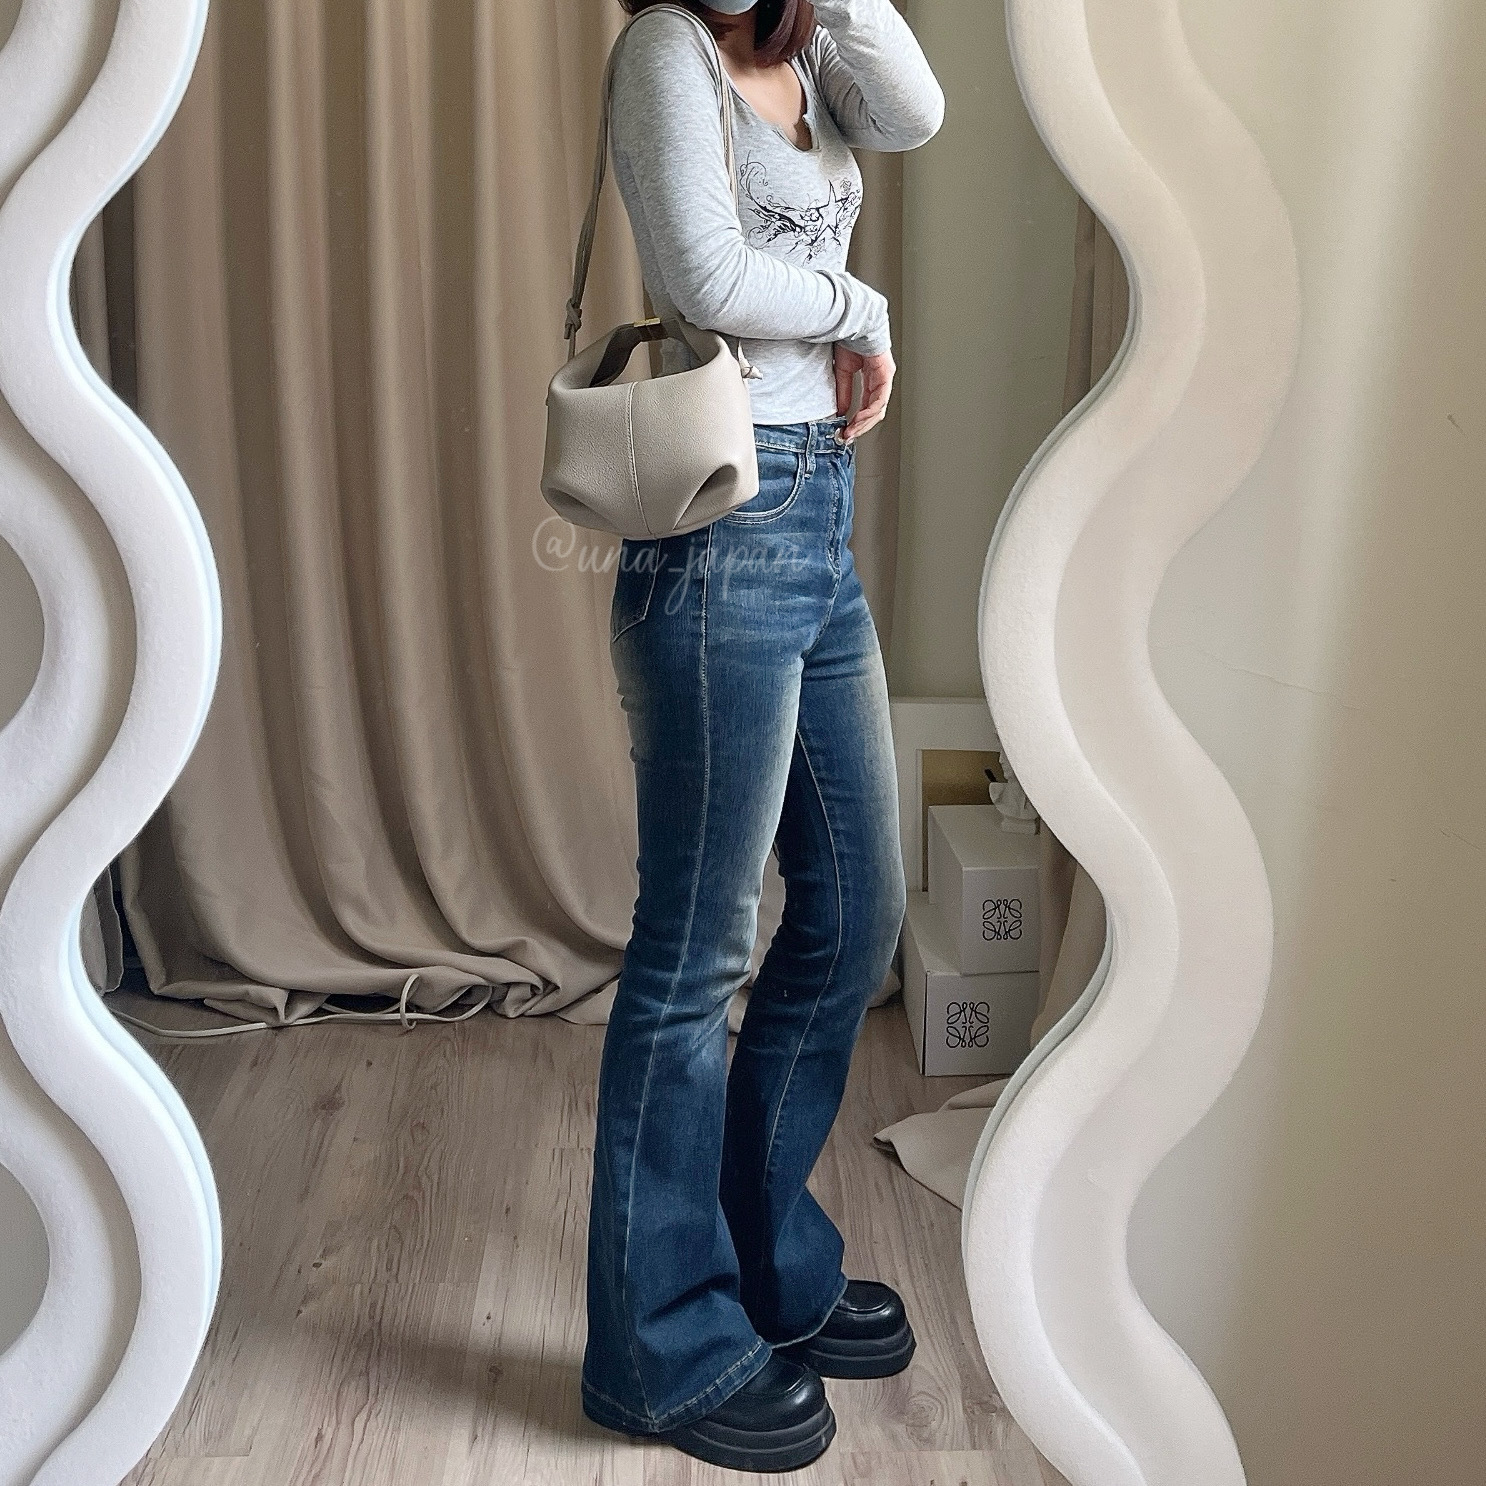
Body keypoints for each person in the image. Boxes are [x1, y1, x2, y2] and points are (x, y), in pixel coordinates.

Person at [581, 0, 944, 1470]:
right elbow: (705, 276)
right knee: (695, 952)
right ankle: (656, 1351)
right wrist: (863, 311)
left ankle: (761, 1267)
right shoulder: (663, 51)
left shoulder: (809, 55)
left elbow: (915, 112)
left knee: (855, 913)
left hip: (816, 510)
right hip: (724, 519)